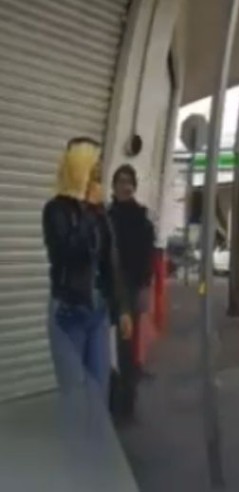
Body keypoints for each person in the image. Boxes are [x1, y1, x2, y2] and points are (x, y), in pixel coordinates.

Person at [42, 137, 133, 466]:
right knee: (75, 394)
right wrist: (86, 211)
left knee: (99, 388)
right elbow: (68, 254)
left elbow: (111, 261)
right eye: (93, 171)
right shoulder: (55, 210)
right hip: (68, 314)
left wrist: (122, 309)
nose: (98, 178)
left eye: (99, 172)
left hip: (97, 313)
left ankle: (95, 457)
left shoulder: (98, 211)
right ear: (78, 170)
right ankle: (73, 460)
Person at [107, 164, 156, 422]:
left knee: (126, 348)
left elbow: (147, 258)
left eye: (129, 182)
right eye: (120, 181)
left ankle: (126, 403)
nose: (124, 186)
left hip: (130, 289)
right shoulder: (106, 217)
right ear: (114, 186)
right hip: (107, 288)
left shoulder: (141, 219)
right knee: (105, 347)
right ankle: (109, 397)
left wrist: (142, 287)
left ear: (134, 187)